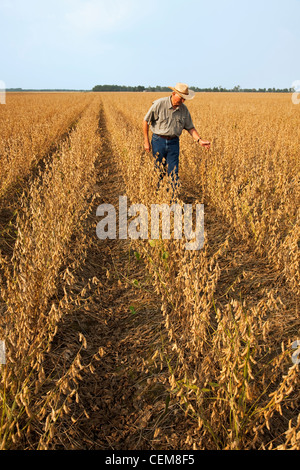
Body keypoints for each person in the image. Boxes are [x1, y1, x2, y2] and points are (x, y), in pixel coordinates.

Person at [143, 83, 210, 193]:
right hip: (158, 141)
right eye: (181, 98)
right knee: (158, 170)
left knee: (174, 172)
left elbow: (190, 127)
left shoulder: (183, 110)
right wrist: (146, 141)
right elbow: (145, 121)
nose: (182, 101)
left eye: (184, 99)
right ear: (173, 94)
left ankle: (172, 199)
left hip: (174, 143)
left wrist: (199, 140)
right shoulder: (159, 104)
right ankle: (157, 195)